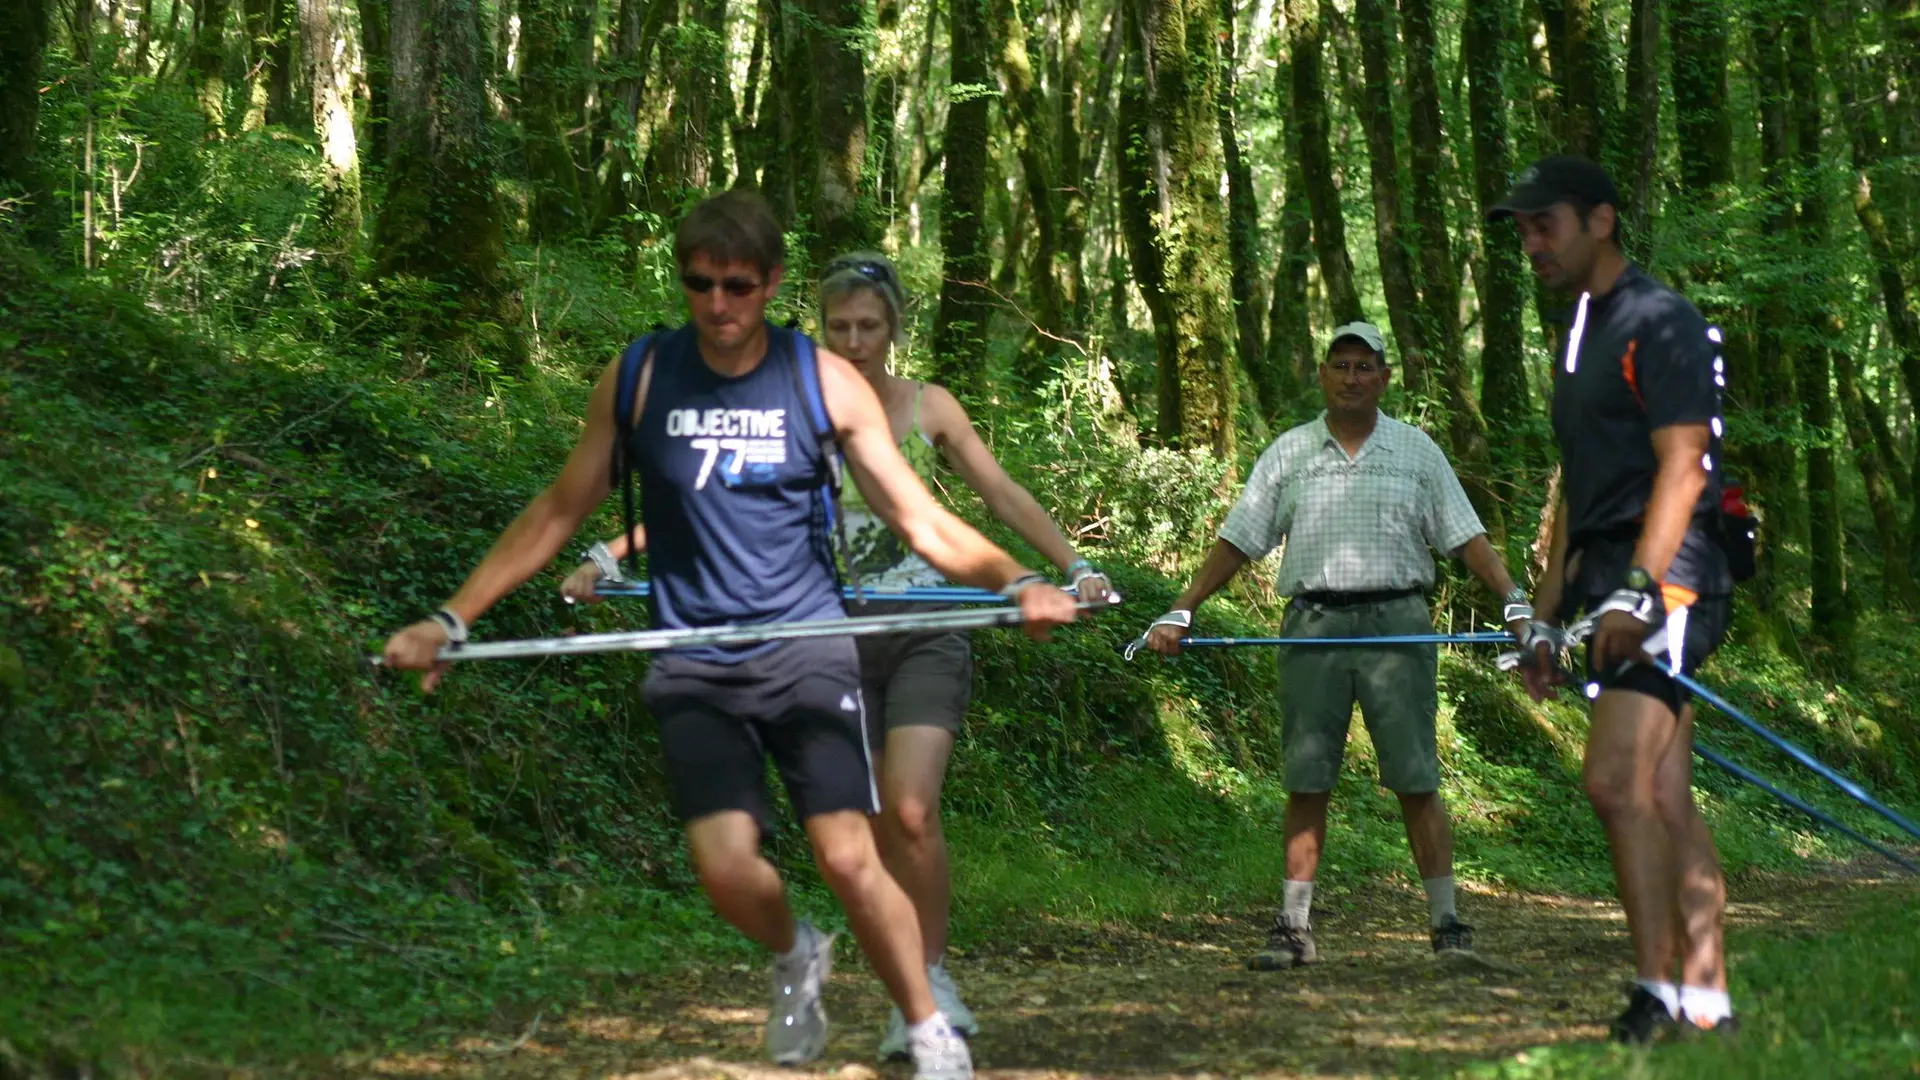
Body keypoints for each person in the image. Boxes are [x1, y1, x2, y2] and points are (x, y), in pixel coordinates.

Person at [381, 191, 1081, 1080]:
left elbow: (919, 517)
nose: (718, 307)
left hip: (806, 650)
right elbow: (560, 509)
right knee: (719, 863)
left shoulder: (817, 381)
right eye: (700, 285)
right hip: (696, 658)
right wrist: (452, 616)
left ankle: (926, 1024)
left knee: (847, 853)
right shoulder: (638, 377)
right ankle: (798, 952)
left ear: (772, 283)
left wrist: (1016, 580)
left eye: (739, 288)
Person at [566, 250, 1112, 1060]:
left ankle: (928, 981)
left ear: (894, 329)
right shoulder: (795, 404)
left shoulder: (929, 407)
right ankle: (904, 987)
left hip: (926, 631)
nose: (853, 342)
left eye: (869, 326)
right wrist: (612, 555)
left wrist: (1074, 567)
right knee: (863, 829)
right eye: (839, 327)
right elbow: (707, 495)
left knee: (912, 811)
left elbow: (1000, 494)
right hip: (823, 640)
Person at [1140, 321, 1533, 970]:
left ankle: (1448, 927)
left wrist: (1514, 601)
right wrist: (1182, 608)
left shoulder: (1417, 452)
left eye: (1364, 367)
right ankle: (1292, 930)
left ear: (1383, 378)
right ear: (1322, 374)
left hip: (1398, 626)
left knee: (1416, 777)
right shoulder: (1289, 452)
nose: (1352, 377)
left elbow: (1466, 537)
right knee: (1307, 777)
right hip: (1313, 626)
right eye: (1341, 365)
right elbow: (1240, 538)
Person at [1487, 155, 1736, 1043]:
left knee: (1612, 778)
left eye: (1542, 223)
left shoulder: (1658, 319)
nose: (1530, 242)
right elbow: (1575, 491)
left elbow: (1683, 468)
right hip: (1603, 575)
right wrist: (1547, 619)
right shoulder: (1578, 326)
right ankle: (1706, 1003)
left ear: (1600, 220)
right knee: (1665, 795)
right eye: (1520, 229)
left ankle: (1657, 995)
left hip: (1670, 572)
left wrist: (1638, 592)